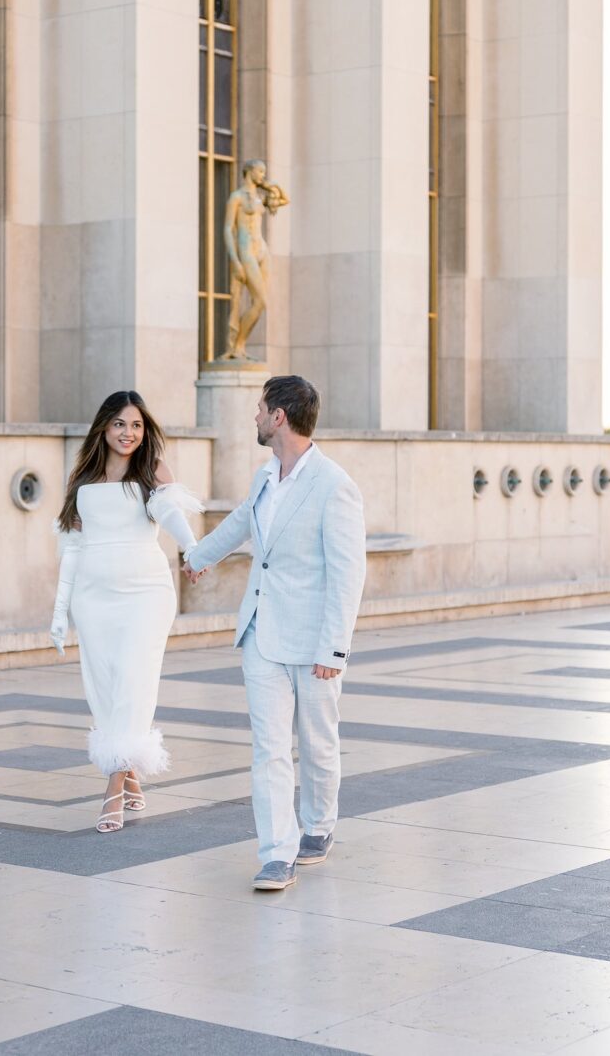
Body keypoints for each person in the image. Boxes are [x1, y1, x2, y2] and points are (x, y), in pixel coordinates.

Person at [183, 375, 366, 890]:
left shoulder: (335, 485)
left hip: (312, 641)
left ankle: (320, 824)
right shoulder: (266, 476)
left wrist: (334, 646)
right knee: (268, 749)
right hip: (261, 634)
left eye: (260, 409)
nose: (255, 417)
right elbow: (242, 522)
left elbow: (348, 573)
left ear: (279, 416)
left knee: (317, 742)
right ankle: (275, 853)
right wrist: (198, 558)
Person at [50, 391, 203, 833]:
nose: (129, 433)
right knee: (105, 686)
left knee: (134, 683)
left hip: (146, 594)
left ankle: (113, 787)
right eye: (120, 424)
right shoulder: (82, 477)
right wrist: (60, 611)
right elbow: (72, 548)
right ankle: (131, 774)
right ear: (104, 426)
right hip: (93, 597)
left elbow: (170, 513)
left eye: (136, 425)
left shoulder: (152, 470)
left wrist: (193, 549)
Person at [222, 159, 289, 361]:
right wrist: (234, 260)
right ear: (249, 171)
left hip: (262, 249)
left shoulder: (260, 197)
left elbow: (285, 200)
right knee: (260, 301)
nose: (262, 175)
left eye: (263, 172)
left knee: (259, 301)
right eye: (260, 172)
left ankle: (240, 346)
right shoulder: (237, 197)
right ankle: (237, 345)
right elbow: (227, 228)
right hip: (246, 249)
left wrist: (271, 185)